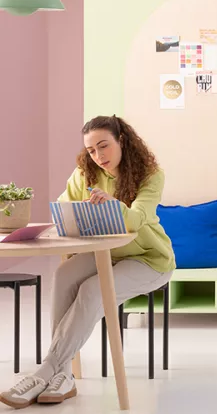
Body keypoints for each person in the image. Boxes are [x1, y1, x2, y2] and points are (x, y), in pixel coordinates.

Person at [1, 115, 175, 409]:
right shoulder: (85, 173)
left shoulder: (150, 174)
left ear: (122, 140)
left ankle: (46, 370)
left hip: (148, 259)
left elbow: (136, 220)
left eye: (104, 146)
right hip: (105, 253)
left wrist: (111, 203)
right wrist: (74, 213)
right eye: (91, 150)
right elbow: (64, 206)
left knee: (93, 291)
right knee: (65, 274)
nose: (98, 156)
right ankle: (64, 374)